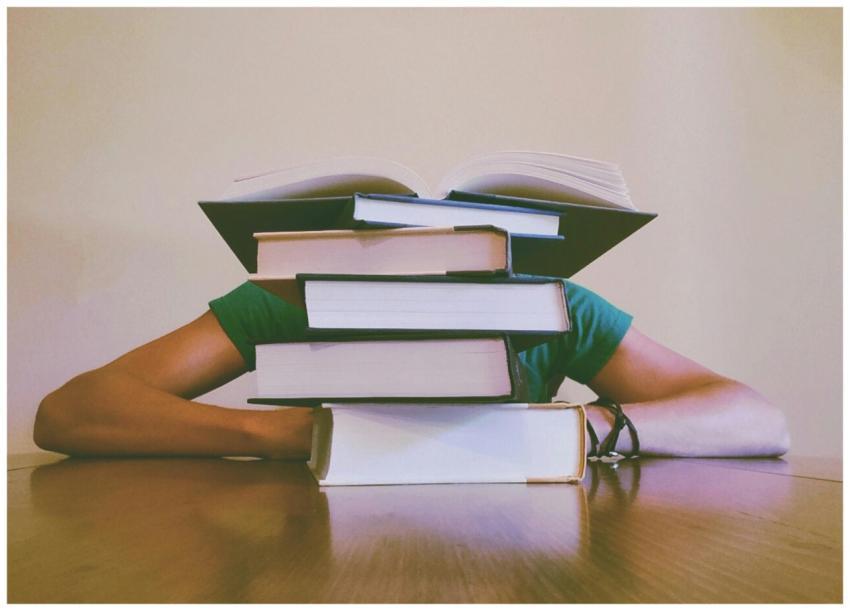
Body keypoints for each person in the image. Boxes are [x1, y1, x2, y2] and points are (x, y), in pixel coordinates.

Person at [33, 280, 790, 460]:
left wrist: (584, 428)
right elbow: (69, 412)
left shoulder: (551, 307)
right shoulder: (294, 298)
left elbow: (758, 418)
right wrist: (292, 435)